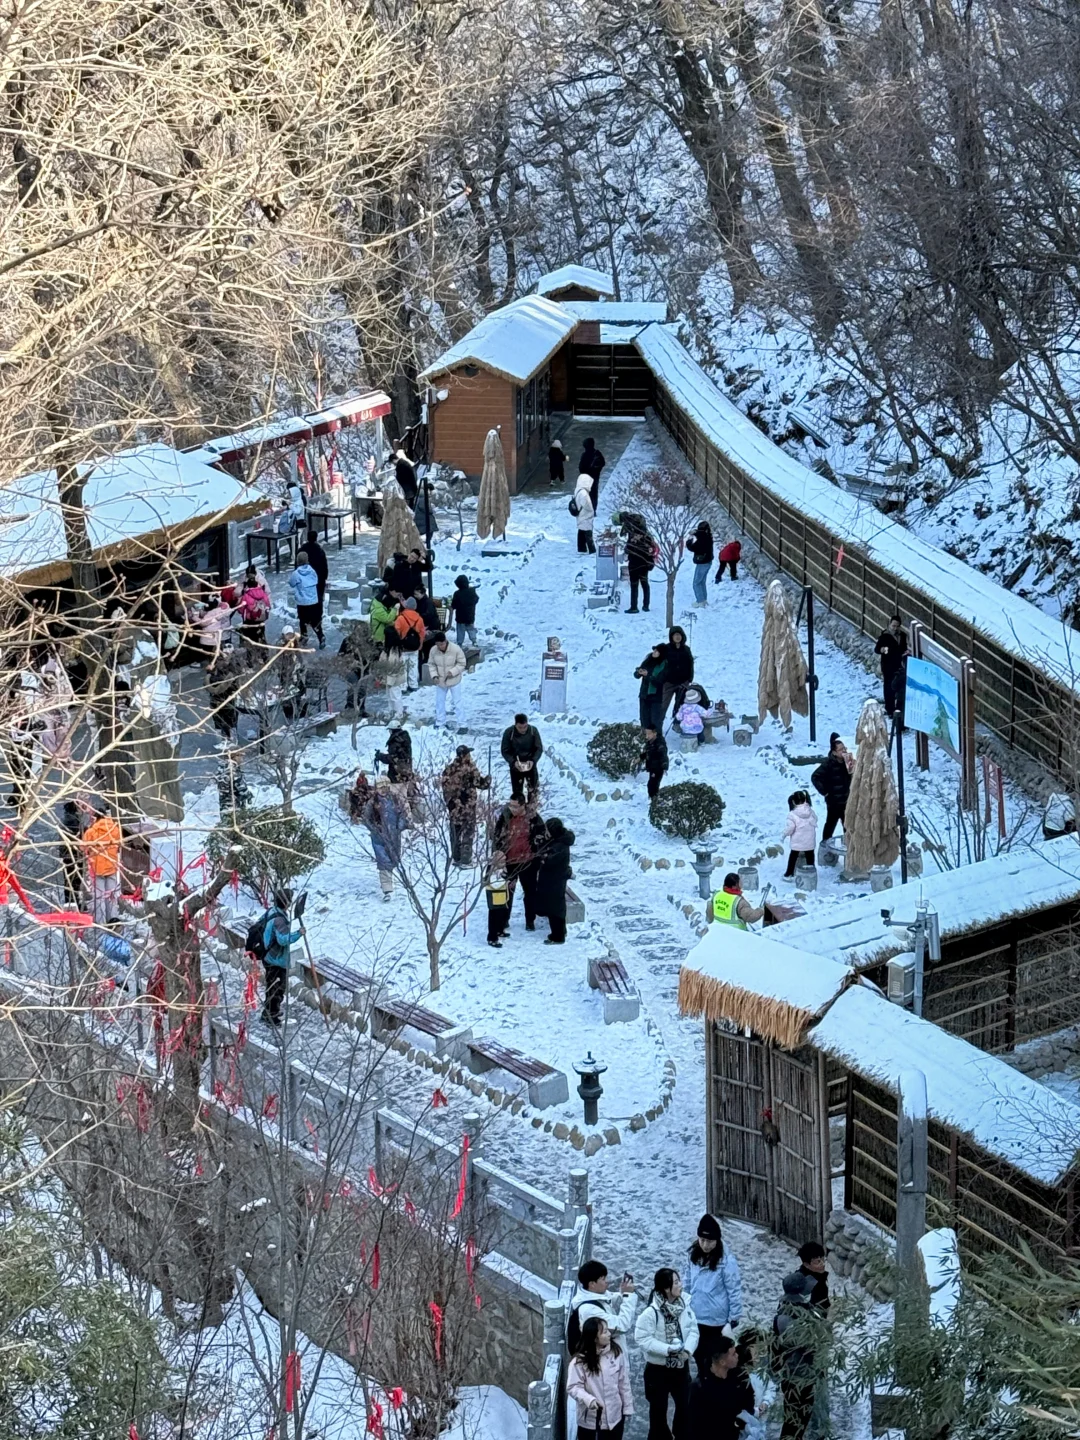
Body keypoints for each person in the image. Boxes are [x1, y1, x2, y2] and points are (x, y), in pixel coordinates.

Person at [635, 1267, 699, 1440]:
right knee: (657, 1412)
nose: (680, 1285)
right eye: (676, 1282)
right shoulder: (651, 1313)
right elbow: (642, 1338)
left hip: (681, 1367)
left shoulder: (685, 1305)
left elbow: (693, 1330)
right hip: (658, 1369)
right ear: (666, 1288)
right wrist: (667, 1349)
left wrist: (687, 1350)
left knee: (685, 1407)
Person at [685, 1215, 743, 1377]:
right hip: (696, 1317)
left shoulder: (726, 1261)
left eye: (710, 1241)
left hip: (716, 1321)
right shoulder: (692, 1256)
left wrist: (734, 1317)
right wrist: (684, 1304)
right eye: (702, 1240)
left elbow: (734, 1289)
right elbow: (687, 1281)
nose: (705, 1245)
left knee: (714, 1359)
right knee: (699, 1356)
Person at [772, 1272, 825, 1440]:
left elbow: (775, 1349)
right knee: (795, 1421)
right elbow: (808, 1343)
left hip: (794, 1374)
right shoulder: (792, 1318)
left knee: (796, 1419)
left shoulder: (784, 1313)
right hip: (799, 1374)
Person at [567, 1318, 634, 1439]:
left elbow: (623, 1382)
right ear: (594, 1338)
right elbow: (573, 1387)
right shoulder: (579, 1362)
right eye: (604, 1332)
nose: (609, 1334)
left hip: (615, 1418)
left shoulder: (616, 1353)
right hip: (591, 1422)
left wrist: (627, 1408)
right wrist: (589, 1400)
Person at [492, 796, 547, 931]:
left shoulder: (533, 818)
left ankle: (530, 920)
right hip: (510, 861)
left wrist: (538, 854)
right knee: (507, 891)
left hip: (529, 861)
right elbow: (497, 835)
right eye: (510, 805)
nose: (512, 809)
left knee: (530, 893)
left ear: (523, 806)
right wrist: (498, 853)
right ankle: (504, 920)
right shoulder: (505, 817)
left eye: (515, 806)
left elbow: (542, 837)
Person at [796, 1241, 831, 1439]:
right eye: (817, 1261)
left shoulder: (817, 1278)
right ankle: (818, 1428)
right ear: (806, 1263)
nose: (822, 1264)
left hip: (818, 1337)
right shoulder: (805, 1285)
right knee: (817, 1384)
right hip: (810, 1342)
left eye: (823, 1259)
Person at [687, 1336, 754, 1440]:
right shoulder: (700, 1387)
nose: (737, 1355)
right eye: (733, 1354)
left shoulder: (741, 1376)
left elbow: (749, 1399)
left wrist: (742, 1421)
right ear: (722, 1362)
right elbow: (694, 1422)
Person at [569, 1259, 640, 1344]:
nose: (607, 1281)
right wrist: (628, 1295)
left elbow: (610, 1299)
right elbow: (622, 1325)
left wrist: (624, 1292)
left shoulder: (594, 1294)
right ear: (592, 1284)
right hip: (605, 1351)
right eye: (603, 1279)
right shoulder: (589, 1310)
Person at [259, 890, 302, 1028]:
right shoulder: (279, 920)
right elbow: (283, 940)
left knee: (272, 986)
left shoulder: (272, 911)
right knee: (277, 988)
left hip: (268, 955)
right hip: (275, 959)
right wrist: (298, 934)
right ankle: (271, 1017)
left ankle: (268, 1013)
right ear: (287, 902)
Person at [441, 745, 490, 865]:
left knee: (455, 832)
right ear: (465, 755)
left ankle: (456, 857)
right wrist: (487, 781)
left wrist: (450, 803)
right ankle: (466, 858)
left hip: (454, 806)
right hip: (468, 806)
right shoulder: (470, 768)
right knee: (468, 832)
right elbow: (480, 784)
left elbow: (445, 788)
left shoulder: (449, 769)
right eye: (468, 754)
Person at [362, 778, 411, 897]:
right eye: (380, 788)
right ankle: (387, 889)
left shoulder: (395, 799)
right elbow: (366, 818)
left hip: (394, 836)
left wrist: (399, 826)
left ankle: (399, 880)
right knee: (383, 861)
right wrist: (374, 830)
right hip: (379, 838)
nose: (383, 790)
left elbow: (403, 814)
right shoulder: (372, 803)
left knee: (394, 859)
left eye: (385, 787)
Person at [535, 817, 574, 944]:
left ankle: (557, 936)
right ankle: (561, 931)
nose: (545, 832)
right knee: (556, 906)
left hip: (555, 880)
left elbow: (547, 860)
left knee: (555, 908)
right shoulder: (558, 840)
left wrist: (541, 852)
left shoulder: (560, 846)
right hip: (554, 880)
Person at [82, 805, 123, 924]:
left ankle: (100, 921)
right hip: (111, 866)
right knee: (111, 894)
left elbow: (83, 848)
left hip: (97, 868)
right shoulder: (115, 828)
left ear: (95, 817)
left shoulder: (91, 831)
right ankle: (113, 918)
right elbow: (120, 844)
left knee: (99, 896)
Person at [811, 733, 853, 843]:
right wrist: (824, 791)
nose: (844, 751)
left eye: (844, 748)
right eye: (841, 750)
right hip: (834, 803)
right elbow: (815, 777)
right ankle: (824, 846)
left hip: (847, 801)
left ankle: (849, 847)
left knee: (848, 827)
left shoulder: (848, 761)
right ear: (834, 752)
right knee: (830, 825)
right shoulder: (828, 764)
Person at [733, 1328, 775, 1440]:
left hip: (759, 1421)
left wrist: (766, 1402)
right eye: (756, 1352)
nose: (758, 1356)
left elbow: (771, 1388)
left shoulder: (761, 1373)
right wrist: (754, 1411)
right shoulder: (737, 1375)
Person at [429, 632, 467, 728]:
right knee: (439, 702)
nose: (440, 647)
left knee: (457, 702)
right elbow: (431, 665)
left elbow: (462, 663)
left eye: (442, 644)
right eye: (438, 645)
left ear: (445, 641)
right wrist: (434, 676)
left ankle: (462, 724)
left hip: (454, 680)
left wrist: (453, 672)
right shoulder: (433, 650)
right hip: (441, 681)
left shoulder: (455, 649)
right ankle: (440, 722)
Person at [288, 550, 325, 649]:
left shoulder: (296, 573)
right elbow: (316, 580)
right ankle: (321, 636)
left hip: (302, 602)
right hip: (313, 601)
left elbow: (291, 583)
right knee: (315, 621)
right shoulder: (312, 571)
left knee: (303, 620)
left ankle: (304, 636)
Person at [501, 714, 543, 801]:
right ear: (515, 725)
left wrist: (533, 760)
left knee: (533, 792)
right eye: (520, 727)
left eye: (525, 727)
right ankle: (519, 808)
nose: (523, 730)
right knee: (517, 794)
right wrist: (513, 762)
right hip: (516, 766)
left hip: (530, 765)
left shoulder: (533, 731)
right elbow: (505, 751)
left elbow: (539, 748)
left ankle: (532, 808)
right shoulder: (509, 733)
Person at [875, 615, 908, 718]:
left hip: (898, 665)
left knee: (898, 687)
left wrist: (905, 652)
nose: (895, 628)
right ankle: (889, 709)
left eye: (897, 626)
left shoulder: (902, 636)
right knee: (888, 687)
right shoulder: (885, 636)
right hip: (888, 665)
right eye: (893, 626)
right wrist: (883, 650)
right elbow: (877, 649)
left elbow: (903, 648)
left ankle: (898, 709)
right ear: (890, 625)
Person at [393, 599, 426, 692]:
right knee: (413, 666)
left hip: (403, 647)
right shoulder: (419, 619)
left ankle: (403, 686)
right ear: (415, 607)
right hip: (415, 647)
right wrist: (420, 645)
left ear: (406, 606)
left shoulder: (400, 618)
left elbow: (396, 632)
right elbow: (422, 633)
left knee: (403, 667)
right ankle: (413, 684)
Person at [783, 791, 818, 880]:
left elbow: (790, 828)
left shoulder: (792, 814)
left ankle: (789, 873)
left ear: (793, 802)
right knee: (810, 857)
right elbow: (816, 819)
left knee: (793, 857)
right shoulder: (810, 811)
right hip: (810, 841)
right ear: (805, 799)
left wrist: (784, 835)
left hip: (797, 842)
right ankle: (811, 874)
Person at [661, 627, 694, 718]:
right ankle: (657, 725)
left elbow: (690, 664)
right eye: (675, 635)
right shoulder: (666, 649)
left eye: (679, 635)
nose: (677, 637)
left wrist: (689, 679)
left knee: (680, 706)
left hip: (683, 683)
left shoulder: (686, 649)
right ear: (671, 637)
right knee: (662, 705)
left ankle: (677, 722)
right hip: (668, 683)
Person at [58, 800, 84, 910]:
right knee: (77, 880)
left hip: (66, 855)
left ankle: (68, 902)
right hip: (76, 854)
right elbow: (81, 836)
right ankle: (76, 903)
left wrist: (61, 854)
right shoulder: (76, 821)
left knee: (68, 880)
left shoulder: (63, 822)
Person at [236, 569, 272, 647]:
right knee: (261, 634)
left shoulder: (246, 595)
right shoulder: (263, 593)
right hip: (261, 618)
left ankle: (252, 650)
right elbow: (268, 604)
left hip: (250, 619)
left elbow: (241, 608)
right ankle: (263, 650)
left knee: (250, 636)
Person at [635, 647, 668, 732]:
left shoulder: (664, 665)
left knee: (655, 719)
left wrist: (648, 675)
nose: (654, 652)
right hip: (644, 694)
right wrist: (639, 672)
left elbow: (660, 681)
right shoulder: (648, 661)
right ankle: (645, 736)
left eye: (657, 651)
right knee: (644, 718)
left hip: (657, 696)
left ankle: (657, 737)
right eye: (654, 650)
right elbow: (637, 674)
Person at [626, 526, 655, 613]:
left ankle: (638, 606)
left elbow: (627, 550)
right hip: (640, 565)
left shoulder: (638, 539)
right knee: (641, 585)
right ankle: (641, 606)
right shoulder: (646, 538)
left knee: (638, 585)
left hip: (637, 565)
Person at [687, 522, 714, 606]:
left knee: (696, 583)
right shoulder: (708, 537)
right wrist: (696, 532)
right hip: (708, 562)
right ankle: (704, 600)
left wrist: (689, 539)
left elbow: (692, 547)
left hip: (702, 563)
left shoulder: (701, 540)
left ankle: (700, 601)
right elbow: (701, 534)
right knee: (702, 582)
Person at [449, 574, 479, 648]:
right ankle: (474, 641)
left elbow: (454, 605)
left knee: (460, 630)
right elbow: (476, 599)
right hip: (470, 616)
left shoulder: (457, 593)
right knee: (471, 629)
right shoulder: (472, 592)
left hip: (460, 617)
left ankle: (460, 643)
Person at [303, 527, 330, 606]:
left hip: (306, 577)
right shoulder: (320, 550)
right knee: (318, 598)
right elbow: (324, 566)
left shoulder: (302, 549)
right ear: (316, 538)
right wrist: (325, 577)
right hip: (318, 578)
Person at [641, 726, 669, 799]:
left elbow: (663, 754)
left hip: (658, 767)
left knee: (653, 784)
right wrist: (640, 757)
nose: (647, 736)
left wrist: (664, 766)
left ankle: (654, 799)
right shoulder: (650, 742)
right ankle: (653, 798)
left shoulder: (659, 743)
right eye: (646, 734)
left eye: (649, 734)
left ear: (655, 733)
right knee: (651, 784)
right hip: (652, 767)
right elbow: (649, 753)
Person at [368, 585, 399, 650]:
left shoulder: (381, 606)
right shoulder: (378, 610)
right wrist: (394, 609)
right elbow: (387, 619)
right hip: (378, 638)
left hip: (383, 636)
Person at [579, 436, 606, 508]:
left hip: (588, 477)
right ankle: (592, 508)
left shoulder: (586, 455)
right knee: (593, 493)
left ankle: (589, 508)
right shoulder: (596, 453)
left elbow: (581, 467)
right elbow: (602, 463)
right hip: (594, 477)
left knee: (588, 493)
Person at [574, 474, 596, 554]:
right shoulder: (584, 493)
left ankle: (581, 548)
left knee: (581, 531)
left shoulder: (578, 490)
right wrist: (592, 511)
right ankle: (592, 550)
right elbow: (587, 505)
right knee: (588, 532)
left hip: (580, 515)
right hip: (585, 515)